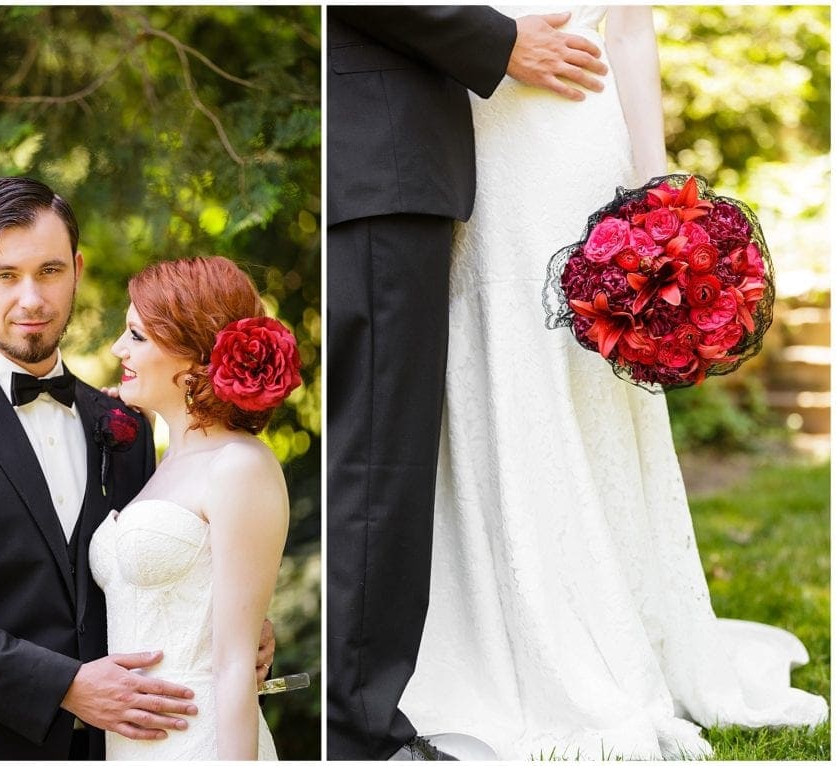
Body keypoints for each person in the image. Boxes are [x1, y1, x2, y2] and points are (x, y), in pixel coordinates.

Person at [398, 6, 829, 760]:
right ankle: (492, 615)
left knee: (580, 356)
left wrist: (656, 177)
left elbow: (629, 28)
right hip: (473, 129)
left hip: (572, 133)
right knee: (489, 352)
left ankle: (603, 617)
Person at [0, 177, 274, 759]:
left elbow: (151, 569)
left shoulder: (125, 425)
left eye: (49, 271)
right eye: (5, 275)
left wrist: (229, 620)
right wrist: (66, 686)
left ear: (76, 269)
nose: (32, 299)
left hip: (124, 747)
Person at [326, 6, 609, 760]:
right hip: (373, 155)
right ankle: (357, 733)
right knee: (379, 453)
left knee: (379, 446)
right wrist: (501, 41)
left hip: (381, 158)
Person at [91, 256, 299, 760]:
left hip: (201, 741)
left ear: (191, 352)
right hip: (131, 746)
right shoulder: (159, 466)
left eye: (136, 335)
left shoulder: (239, 465)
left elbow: (233, 665)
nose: (119, 349)